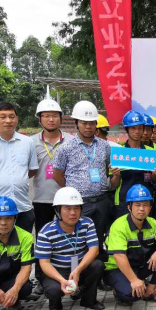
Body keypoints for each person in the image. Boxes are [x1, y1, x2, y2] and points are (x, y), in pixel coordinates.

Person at [53, 101, 120, 261]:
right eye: (84, 123)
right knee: (77, 240)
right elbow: (57, 174)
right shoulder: (66, 148)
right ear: (76, 123)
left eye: (91, 123)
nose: (88, 127)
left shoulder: (105, 146)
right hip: (79, 204)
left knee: (99, 238)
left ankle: (97, 270)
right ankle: (76, 270)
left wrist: (115, 176)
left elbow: (108, 172)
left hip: (102, 201)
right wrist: (72, 189)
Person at [35, 187, 105, 310]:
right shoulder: (46, 232)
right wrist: (62, 280)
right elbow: (44, 263)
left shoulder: (87, 223)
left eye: (76, 208)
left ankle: (88, 300)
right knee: (54, 290)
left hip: (78, 266)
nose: (73, 213)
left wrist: (78, 270)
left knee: (97, 265)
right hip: (57, 270)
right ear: (58, 210)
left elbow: (94, 250)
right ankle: (55, 301)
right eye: (67, 208)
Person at [104, 185, 156, 305]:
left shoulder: (152, 222)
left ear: (150, 208)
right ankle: (119, 289)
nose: (141, 209)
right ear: (129, 207)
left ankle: (150, 290)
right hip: (116, 269)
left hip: (138, 265)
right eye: (137, 205)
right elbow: (119, 256)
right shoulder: (119, 225)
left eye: (145, 205)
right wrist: (134, 280)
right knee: (132, 295)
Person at [0, 102, 38, 233]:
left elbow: (32, 169)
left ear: (17, 118)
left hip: (21, 207)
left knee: (23, 244)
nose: (8, 120)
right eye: (3, 116)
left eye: (12, 116)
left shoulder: (27, 142)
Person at [0, 197, 34, 310]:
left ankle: (11, 299)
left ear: (15, 219)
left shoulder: (26, 237)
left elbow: (26, 268)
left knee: (25, 288)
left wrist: (15, 289)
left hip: (9, 279)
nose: (3, 223)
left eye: (9, 218)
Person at [32, 98, 73, 238]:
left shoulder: (71, 141)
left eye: (55, 115)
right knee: (43, 236)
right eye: (46, 116)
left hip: (67, 198)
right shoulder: (31, 142)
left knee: (68, 237)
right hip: (41, 198)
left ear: (61, 118)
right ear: (39, 119)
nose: (51, 119)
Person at [113, 110, 156, 219]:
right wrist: (116, 175)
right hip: (124, 202)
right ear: (127, 129)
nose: (137, 131)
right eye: (133, 128)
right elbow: (114, 184)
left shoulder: (151, 153)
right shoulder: (119, 153)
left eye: (140, 128)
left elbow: (154, 180)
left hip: (145, 201)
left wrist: (155, 175)